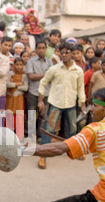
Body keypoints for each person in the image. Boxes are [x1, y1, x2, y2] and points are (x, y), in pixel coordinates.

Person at [37, 41, 86, 169]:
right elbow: (43, 83)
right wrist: (40, 100)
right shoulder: (54, 69)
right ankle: (43, 156)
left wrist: (82, 104)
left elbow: (81, 88)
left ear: (72, 54)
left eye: (67, 52)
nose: (64, 55)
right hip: (55, 103)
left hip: (70, 103)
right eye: (62, 52)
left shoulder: (78, 70)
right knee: (49, 129)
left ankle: (74, 150)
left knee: (73, 129)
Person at [25, 40, 53, 141]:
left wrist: (41, 76)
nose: (41, 50)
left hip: (46, 92)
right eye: (39, 48)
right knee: (31, 115)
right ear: (36, 49)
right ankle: (30, 136)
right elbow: (31, 76)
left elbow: (52, 76)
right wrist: (45, 75)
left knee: (44, 116)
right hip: (33, 91)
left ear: (45, 49)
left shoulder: (50, 62)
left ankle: (40, 136)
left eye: (43, 48)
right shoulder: (31, 61)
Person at [6, 57, 28, 141]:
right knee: (9, 116)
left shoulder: (24, 75)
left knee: (19, 117)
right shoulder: (9, 73)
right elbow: (7, 84)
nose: (19, 67)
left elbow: (26, 88)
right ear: (14, 65)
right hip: (10, 98)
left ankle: (19, 137)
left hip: (19, 98)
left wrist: (14, 85)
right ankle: (9, 137)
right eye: (17, 64)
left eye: (21, 65)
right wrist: (18, 84)